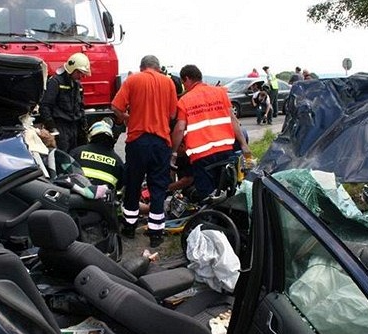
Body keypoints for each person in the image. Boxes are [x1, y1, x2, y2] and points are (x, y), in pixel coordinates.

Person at [111, 55, 178, 248]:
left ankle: (129, 228)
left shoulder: (133, 79)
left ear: (142, 67)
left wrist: (127, 117)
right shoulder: (168, 82)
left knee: (133, 184)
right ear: (157, 67)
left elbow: (115, 106)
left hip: (137, 141)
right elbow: (172, 114)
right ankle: (156, 234)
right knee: (157, 187)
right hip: (161, 142)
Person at [171, 64, 250, 201]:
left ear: (187, 79)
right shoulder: (220, 93)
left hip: (202, 157)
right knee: (226, 192)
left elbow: (179, 128)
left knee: (208, 197)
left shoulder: (185, 100)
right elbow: (233, 120)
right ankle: (227, 218)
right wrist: (243, 144)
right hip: (225, 152)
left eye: (184, 83)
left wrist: (173, 152)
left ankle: (211, 219)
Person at [39, 52, 91, 152]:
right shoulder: (55, 82)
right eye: (79, 73)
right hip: (61, 127)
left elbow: (80, 107)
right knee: (63, 157)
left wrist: (84, 125)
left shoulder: (78, 86)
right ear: (72, 69)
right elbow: (45, 106)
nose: (81, 76)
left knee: (75, 155)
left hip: (75, 127)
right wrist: (52, 128)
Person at [69, 119, 124, 191]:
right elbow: (120, 186)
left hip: (77, 196)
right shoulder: (117, 161)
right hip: (103, 199)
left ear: (90, 135)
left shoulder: (76, 152)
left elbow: (65, 174)